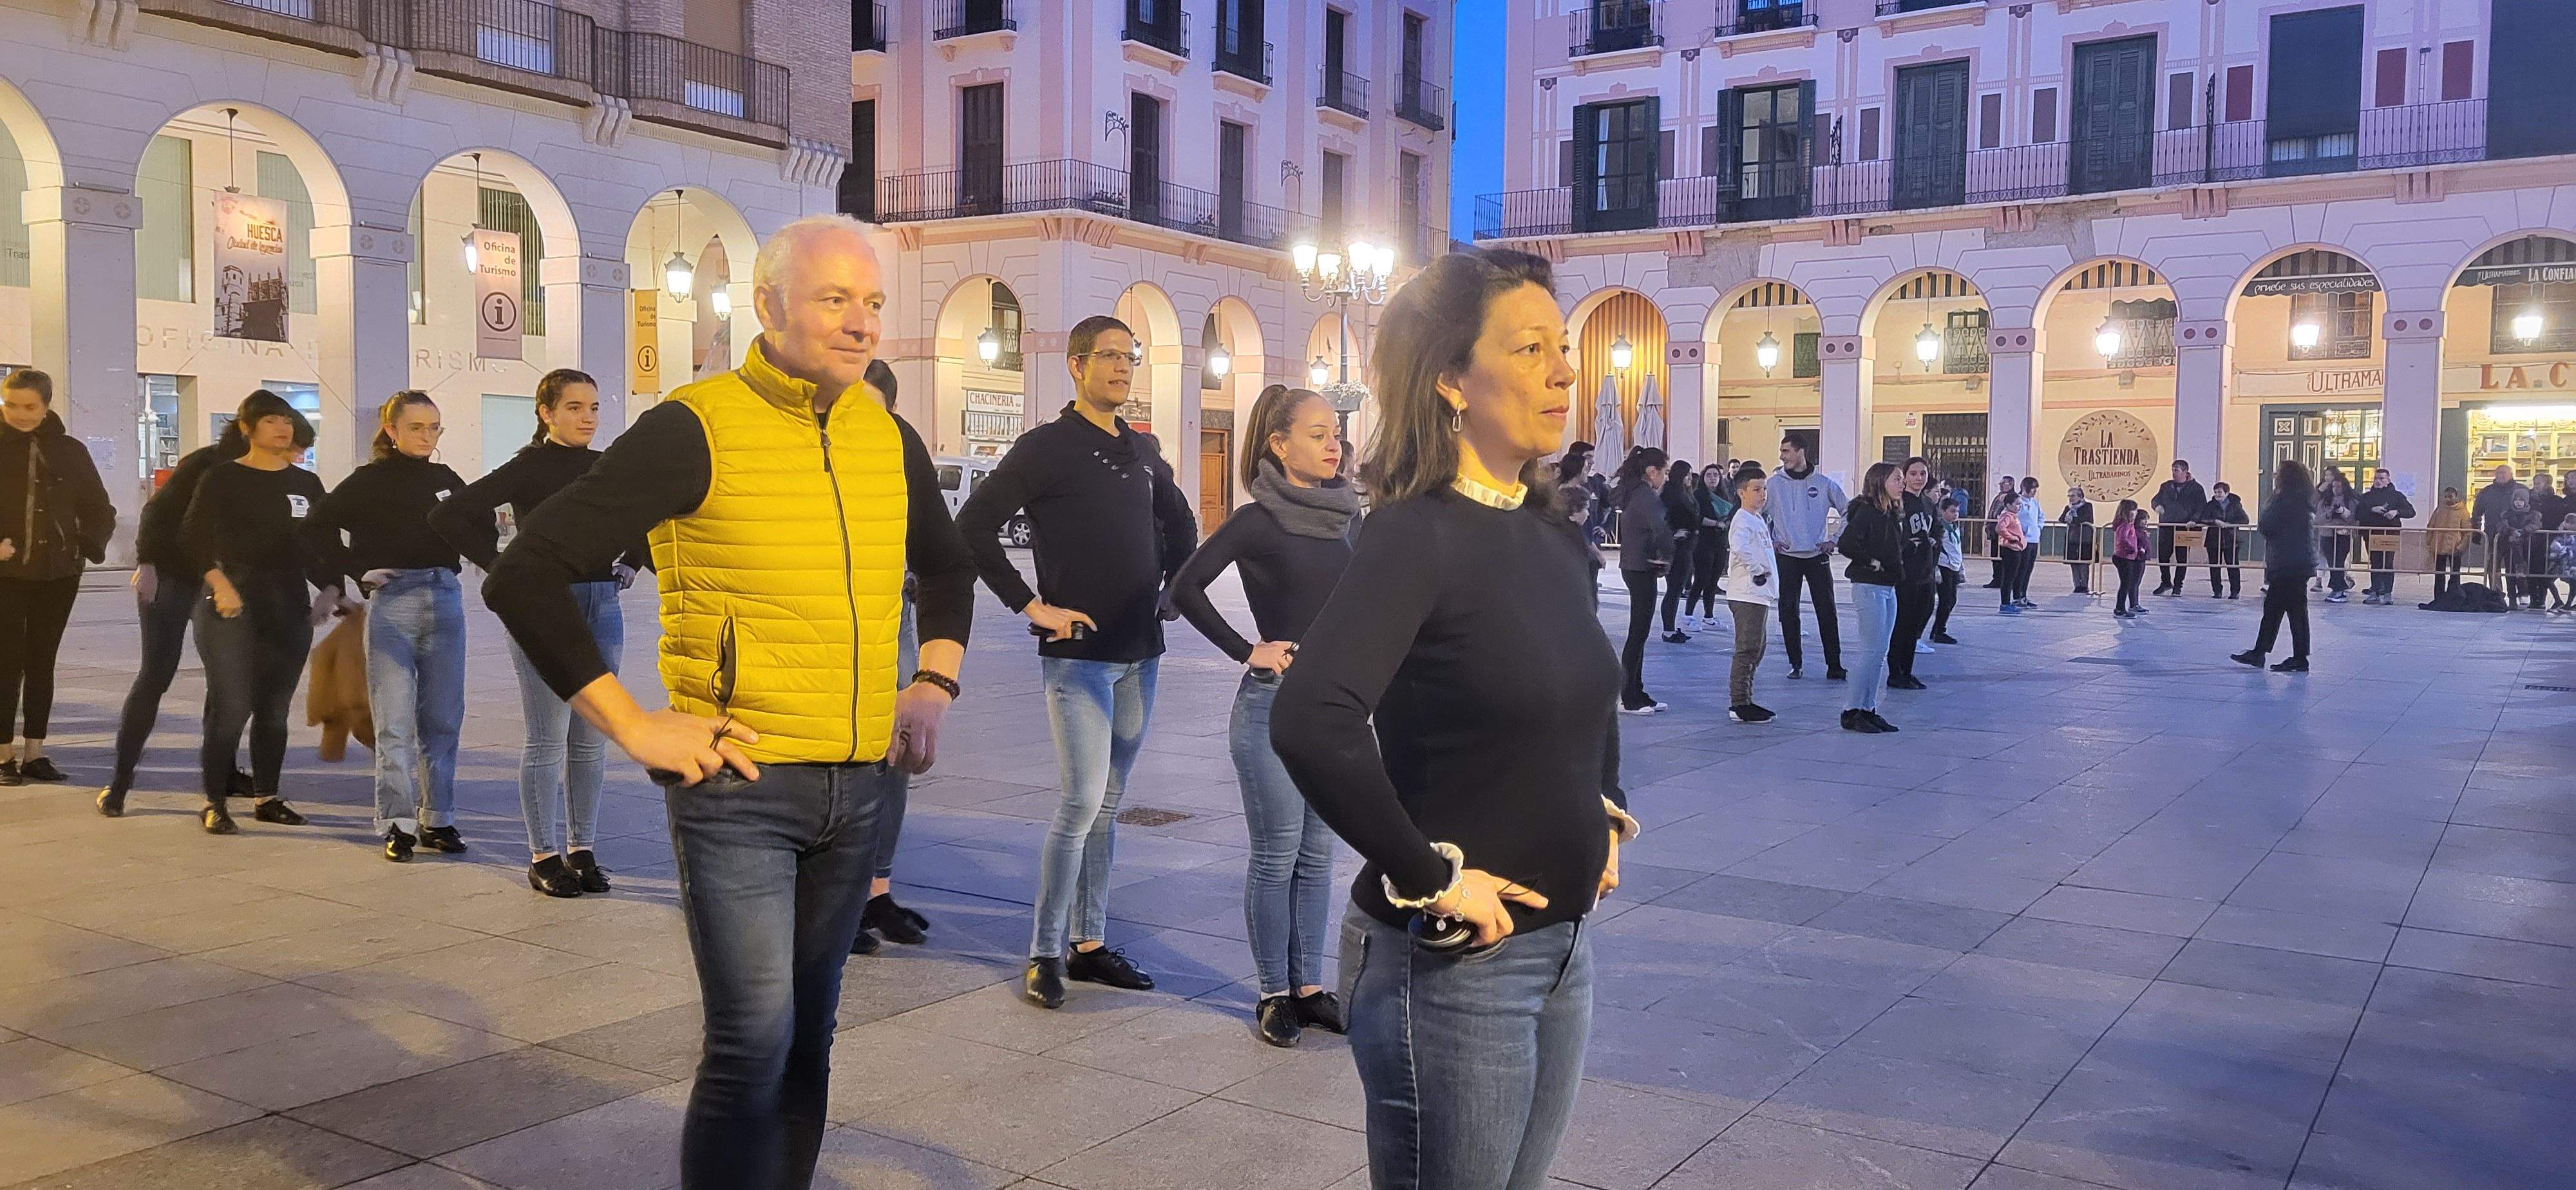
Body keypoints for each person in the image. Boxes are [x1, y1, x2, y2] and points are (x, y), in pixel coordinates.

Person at [483, 214, 974, 1189]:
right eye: (835, 299)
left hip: (858, 784)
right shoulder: (694, 426)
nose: (861, 323)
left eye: (873, 302)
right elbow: (526, 573)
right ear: (769, 305)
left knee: (808, 1043)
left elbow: (949, 564)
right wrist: (632, 723)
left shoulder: (886, 432)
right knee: (752, 1042)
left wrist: (935, 678)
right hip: (740, 785)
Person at [1267, 247, 1631, 1190]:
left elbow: (1591, 687)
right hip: (1456, 972)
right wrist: (1428, 875)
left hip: (1562, 952)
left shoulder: (1552, 532)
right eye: (1528, 348)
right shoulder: (1412, 533)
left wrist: (1606, 802)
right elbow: (1314, 717)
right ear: (1450, 379)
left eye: (1563, 345)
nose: (1563, 369)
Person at [955, 312, 1198, 1012]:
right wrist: (1029, 605)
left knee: (1110, 806)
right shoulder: (1047, 448)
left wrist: (1175, 592)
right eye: (1111, 358)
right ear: (1076, 364)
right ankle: (1043, 950)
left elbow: (1180, 525)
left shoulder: (1145, 450)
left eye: (1132, 358)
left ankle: (1088, 944)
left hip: (1138, 655)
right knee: (1080, 802)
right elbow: (972, 526)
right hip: (1079, 660)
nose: (1123, 369)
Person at [1169, 384, 1357, 1048]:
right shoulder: (1256, 520)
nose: (1333, 443)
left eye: (1335, 432)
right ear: (1278, 444)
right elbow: (1182, 588)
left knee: (1317, 854)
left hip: (1336, 713)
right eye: (1317, 433)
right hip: (1271, 708)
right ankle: (1273, 991)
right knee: (1277, 855)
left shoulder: (1346, 518)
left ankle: (1309, 988)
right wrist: (1247, 649)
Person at [431, 369, 641, 892]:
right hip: (544, 606)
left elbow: (649, 516)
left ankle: (583, 848)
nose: (587, 417)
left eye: (593, 407)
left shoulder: (606, 467)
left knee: (592, 737)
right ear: (546, 412)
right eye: (574, 407)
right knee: (547, 738)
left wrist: (632, 562)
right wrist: (502, 565)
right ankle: (544, 854)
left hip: (602, 602)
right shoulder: (528, 468)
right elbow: (451, 514)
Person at [308, 392, 471, 861]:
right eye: (416, 427)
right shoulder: (368, 481)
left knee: (442, 718)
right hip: (394, 602)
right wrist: (357, 570)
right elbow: (315, 528)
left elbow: (475, 528)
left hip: (445, 599)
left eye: (434, 427)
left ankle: (437, 819)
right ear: (392, 430)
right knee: (395, 721)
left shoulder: (446, 480)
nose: (426, 436)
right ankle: (397, 823)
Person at [182, 390, 348, 834]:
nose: (283, 428)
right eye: (272, 420)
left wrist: (332, 588)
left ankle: (267, 797)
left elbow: (320, 545)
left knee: (274, 709)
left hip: (286, 601)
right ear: (247, 429)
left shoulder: (306, 484)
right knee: (232, 705)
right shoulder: (222, 479)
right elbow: (193, 539)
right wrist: (219, 584)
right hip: (230, 600)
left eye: (288, 421)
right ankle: (215, 801)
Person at [99, 419, 258, 816]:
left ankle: (222, 773)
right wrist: (147, 562)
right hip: (173, 574)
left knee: (226, 680)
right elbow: (157, 511)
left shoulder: (265, 475)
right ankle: (120, 782)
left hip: (220, 581)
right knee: (156, 673)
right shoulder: (205, 464)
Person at [0, 370, 113, 787]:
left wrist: (84, 547)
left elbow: (101, 509)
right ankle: (3, 755)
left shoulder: (69, 450)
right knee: (5, 664)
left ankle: (35, 752)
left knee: (41, 662)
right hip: (5, 574)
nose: (19, 414)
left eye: (29, 406)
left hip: (58, 575)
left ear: (46, 405)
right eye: (11, 405)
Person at [1765, 436, 1846, 681]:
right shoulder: (1774, 484)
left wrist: (1834, 540)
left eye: (1786, 451)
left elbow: (1849, 511)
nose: (1782, 456)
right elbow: (1757, 514)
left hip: (1816, 556)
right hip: (1787, 557)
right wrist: (1772, 540)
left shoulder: (1824, 484)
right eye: (1781, 451)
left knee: (1827, 611)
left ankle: (1834, 664)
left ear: (1801, 452)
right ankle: (1795, 663)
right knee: (1788, 610)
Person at [1838, 462, 1904, 733]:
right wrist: (1872, 562)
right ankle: (1853, 710)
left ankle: (1870, 707)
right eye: (1897, 479)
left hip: (1888, 587)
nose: (1902, 484)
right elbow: (1847, 544)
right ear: (1880, 482)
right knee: (1871, 651)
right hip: (1870, 587)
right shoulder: (1866, 512)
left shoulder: (1889, 513)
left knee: (1880, 653)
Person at [2235, 458, 2316, 674]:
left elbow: (2266, 525)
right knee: (2281, 610)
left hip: (2287, 564)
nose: (2275, 475)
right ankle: (2263, 652)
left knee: (2286, 611)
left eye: (2278, 472)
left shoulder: (2285, 500)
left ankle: (2292, 657)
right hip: (2297, 562)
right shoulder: (2302, 499)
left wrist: (2270, 505)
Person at [1609, 446, 1671, 712]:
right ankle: (1629, 696)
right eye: (1664, 472)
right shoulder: (1645, 495)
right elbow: (1661, 529)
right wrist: (1667, 556)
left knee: (1640, 632)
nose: (1666, 478)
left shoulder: (1634, 492)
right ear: (1652, 472)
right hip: (1641, 566)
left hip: (1634, 564)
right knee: (1638, 633)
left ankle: (1637, 689)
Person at [1725, 470, 1776, 724]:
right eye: (1756, 490)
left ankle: (1747, 698)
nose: (1762, 495)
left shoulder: (1756, 518)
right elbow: (1741, 548)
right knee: (1747, 649)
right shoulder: (1743, 520)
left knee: (1757, 648)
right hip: (1748, 593)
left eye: (1764, 489)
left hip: (1760, 594)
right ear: (1742, 492)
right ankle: (1739, 703)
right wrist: (1759, 571)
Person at [1886, 457, 1939, 692]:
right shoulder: (1898, 503)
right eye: (1914, 474)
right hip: (1906, 574)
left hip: (1925, 572)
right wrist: (1910, 544)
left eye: (1923, 474)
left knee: (1917, 623)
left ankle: (1907, 671)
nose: (1919, 478)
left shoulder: (1928, 503)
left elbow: (1936, 529)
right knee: (1903, 625)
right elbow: (1894, 537)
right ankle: (1896, 673)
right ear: (1905, 477)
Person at [2354, 468, 2416, 606]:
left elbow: (2411, 512)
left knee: (2388, 563)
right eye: (2376, 478)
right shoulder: (2366, 497)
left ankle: (2388, 593)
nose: (2378, 481)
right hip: (2371, 534)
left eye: (2382, 479)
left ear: (2388, 480)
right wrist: (2372, 510)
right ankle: (2375, 592)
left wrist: (2396, 512)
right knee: (2375, 563)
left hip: (2390, 534)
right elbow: (2358, 514)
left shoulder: (2397, 496)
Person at [2470, 464, 2528, 604]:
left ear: (2511, 474)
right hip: (2492, 535)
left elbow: (2530, 510)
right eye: (2499, 473)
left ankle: (2517, 595)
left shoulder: (2521, 490)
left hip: (2515, 536)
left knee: (2514, 566)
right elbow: (2477, 512)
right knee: (2493, 566)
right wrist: (2476, 533)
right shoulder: (2487, 492)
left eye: (2504, 473)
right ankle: (2497, 594)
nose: (2501, 476)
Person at [2152, 460, 2208, 595]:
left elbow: (2201, 506)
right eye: (2172, 470)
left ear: (2185, 471)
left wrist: (2194, 520)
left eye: (2176, 470)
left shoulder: (2196, 488)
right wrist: (2157, 506)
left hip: (2185, 527)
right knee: (2163, 557)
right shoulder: (2166, 486)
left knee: (2182, 558)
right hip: (2167, 526)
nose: (2173, 473)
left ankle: (2178, 586)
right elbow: (2156, 499)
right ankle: (2166, 582)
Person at [1659, 461, 1700, 641]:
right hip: (1677, 547)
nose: (1690, 478)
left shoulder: (1685, 493)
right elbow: (1663, 518)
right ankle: (1668, 629)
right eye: (1687, 474)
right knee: (1674, 589)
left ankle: (1671, 627)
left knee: (1677, 588)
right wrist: (1674, 534)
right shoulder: (1670, 493)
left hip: (1687, 546)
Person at [1686, 461, 1731, 621]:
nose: (1713, 478)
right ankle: (1689, 614)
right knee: (1701, 579)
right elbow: (1696, 517)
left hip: (1720, 541)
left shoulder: (1724, 496)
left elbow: (1729, 515)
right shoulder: (1699, 495)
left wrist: (1725, 523)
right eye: (1709, 475)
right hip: (1703, 542)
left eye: (1716, 475)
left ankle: (1709, 616)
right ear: (1703, 477)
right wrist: (1715, 523)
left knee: (1713, 581)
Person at [2316, 466, 2358, 603]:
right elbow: (2318, 519)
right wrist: (2329, 513)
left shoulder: (2351, 501)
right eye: (2334, 486)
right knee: (2331, 562)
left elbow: (2353, 519)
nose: (2336, 489)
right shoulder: (2325, 501)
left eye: (2339, 487)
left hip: (2343, 534)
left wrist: (2342, 512)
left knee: (2339, 561)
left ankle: (2339, 589)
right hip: (2327, 534)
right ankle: (2337, 589)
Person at [1930, 484, 1964, 645]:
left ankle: (1937, 628)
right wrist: (1936, 568)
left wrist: (1962, 568)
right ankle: (1939, 631)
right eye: (1952, 511)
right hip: (1944, 566)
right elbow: (1936, 549)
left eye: (1957, 511)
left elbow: (1957, 548)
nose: (1955, 514)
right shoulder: (1939, 528)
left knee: (1952, 600)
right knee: (1946, 600)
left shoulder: (1955, 528)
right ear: (1943, 512)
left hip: (1955, 566)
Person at [2202, 481, 2248, 599]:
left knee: (2232, 566)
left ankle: (2235, 591)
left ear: (2227, 493)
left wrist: (2229, 524)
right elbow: (2204, 518)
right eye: (2216, 492)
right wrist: (2215, 521)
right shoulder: (2210, 505)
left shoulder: (2235, 505)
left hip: (2231, 539)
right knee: (2214, 566)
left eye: (2220, 492)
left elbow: (2244, 519)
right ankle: (2217, 591)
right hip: (2213, 539)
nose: (2218, 495)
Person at [2426, 486, 2469, 601]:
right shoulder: (2440, 509)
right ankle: (2439, 597)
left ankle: (2455, 596)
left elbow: (2467, 530)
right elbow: (2431, 526)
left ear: (2456, 497)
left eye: (2450, 497)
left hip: (2455, 547)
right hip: (2439, 546)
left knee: (2455, 573)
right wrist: (2430, 543)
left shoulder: (2462, 511)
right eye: (2445, 497)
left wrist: (2461, 546)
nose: (2448, 499)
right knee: (2439, 573)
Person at [2109, 500, 2150, 618]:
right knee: (2125, 585)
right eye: (2134, 510)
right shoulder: (2125, 525)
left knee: (2128, 583)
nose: (2136, 513)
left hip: (2127, 557)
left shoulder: (2129, 524)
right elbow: (2123, 539)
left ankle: (2128, 606)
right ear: (2128, 511)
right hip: (2123, 557)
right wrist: (2132, 548)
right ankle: (2119, 609)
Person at [1992, 488, 2026, 615]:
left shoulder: (2013, 516)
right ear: (2008, 505)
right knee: (2008, 578)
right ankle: (2005, 603)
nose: (2019, 506)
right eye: (2017, 504)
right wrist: (2012, 538)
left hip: (2017, 549)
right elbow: (2000, 529)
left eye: (2020, 504)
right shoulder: (2006, 515)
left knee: (2013, 576)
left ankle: (2008, 601)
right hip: (2010, 549)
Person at [2060, 484, 2095, 595]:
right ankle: (2077, 585)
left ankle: (2084, 585)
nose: (2070, 498)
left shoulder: (2087, 506)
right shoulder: (2068, 508)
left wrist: (2073, 520)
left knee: (2084, 562)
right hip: (2072, 538)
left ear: (2080, 497)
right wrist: (2067, 519)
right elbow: (2061, 519)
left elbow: (2087, 518)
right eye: (2069, 496)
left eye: (2073, 496)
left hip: (2085, 538)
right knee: (2073, 561)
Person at [1984, 476, 2016, 588]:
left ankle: (2004, 580)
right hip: (1994, 531)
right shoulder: (1999, 497)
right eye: (2001, 483)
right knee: (1995, 556)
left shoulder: (2012, 498)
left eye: (2004, 484)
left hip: (2004, 532)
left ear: (2011, 485)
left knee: (2004, 557)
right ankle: (1996, 579)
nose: (2001, 485)